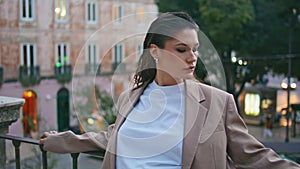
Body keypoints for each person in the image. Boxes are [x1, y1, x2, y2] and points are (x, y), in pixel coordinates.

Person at [39, 12, 300, 169]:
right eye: (181, 49)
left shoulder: (217, 102)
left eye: (195, 49)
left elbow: (254, 155)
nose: (192, 57)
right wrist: (61, 141)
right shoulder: (130, 98)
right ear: (155, 51)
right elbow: (111, 138)